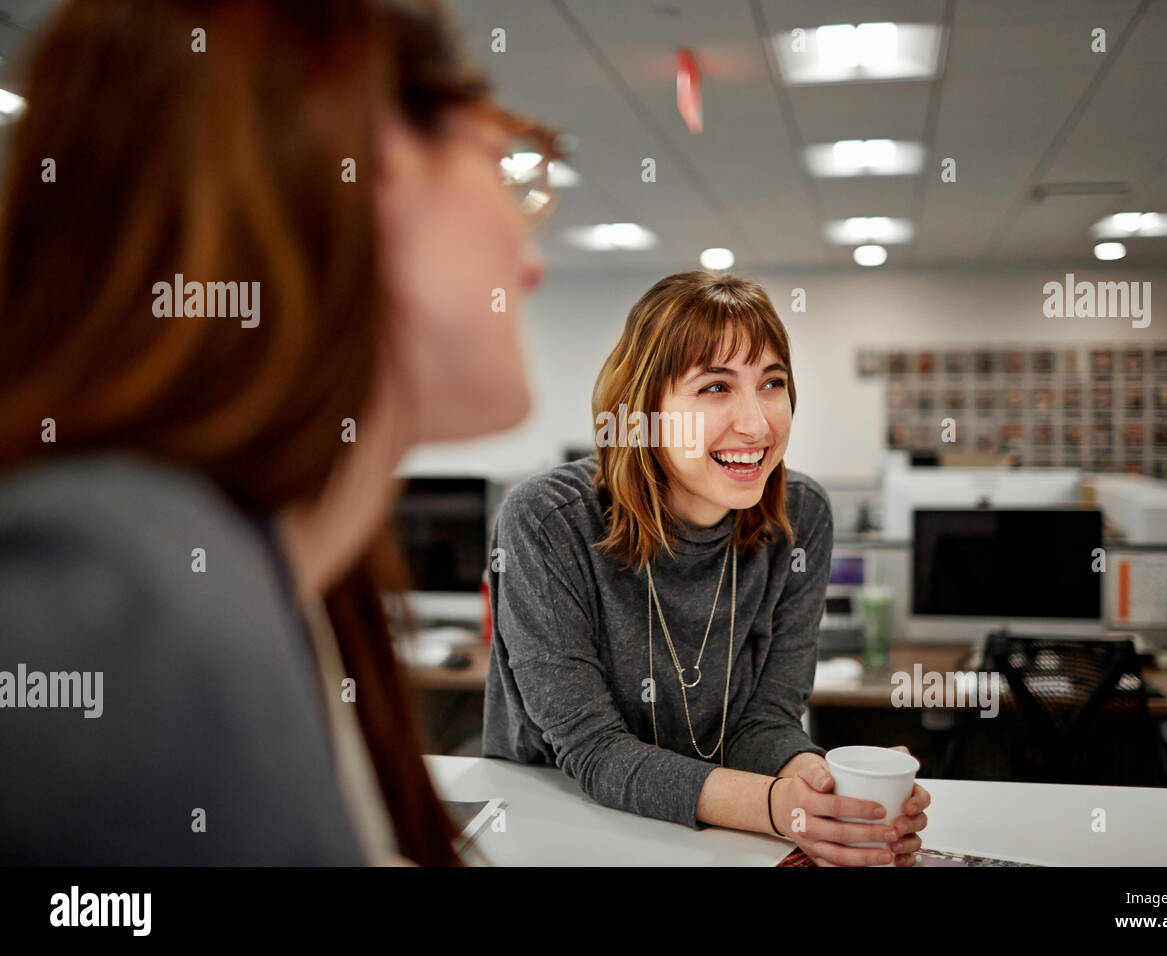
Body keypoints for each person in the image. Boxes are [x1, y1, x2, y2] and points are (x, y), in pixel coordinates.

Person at [0, 0, 554, 865]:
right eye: (507, 165)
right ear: (370, 164)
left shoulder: (296, 580)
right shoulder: (122, 604)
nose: (533, 251)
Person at [483, 271, 931, 866]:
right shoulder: (547, 521)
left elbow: (765, 721)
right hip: (559, 826)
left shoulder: (801, 517)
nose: (757, 423)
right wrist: (780, 808)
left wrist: (827, 797)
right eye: (715, 388)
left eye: (771, 383)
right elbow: (594, 752)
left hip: (712, 838)